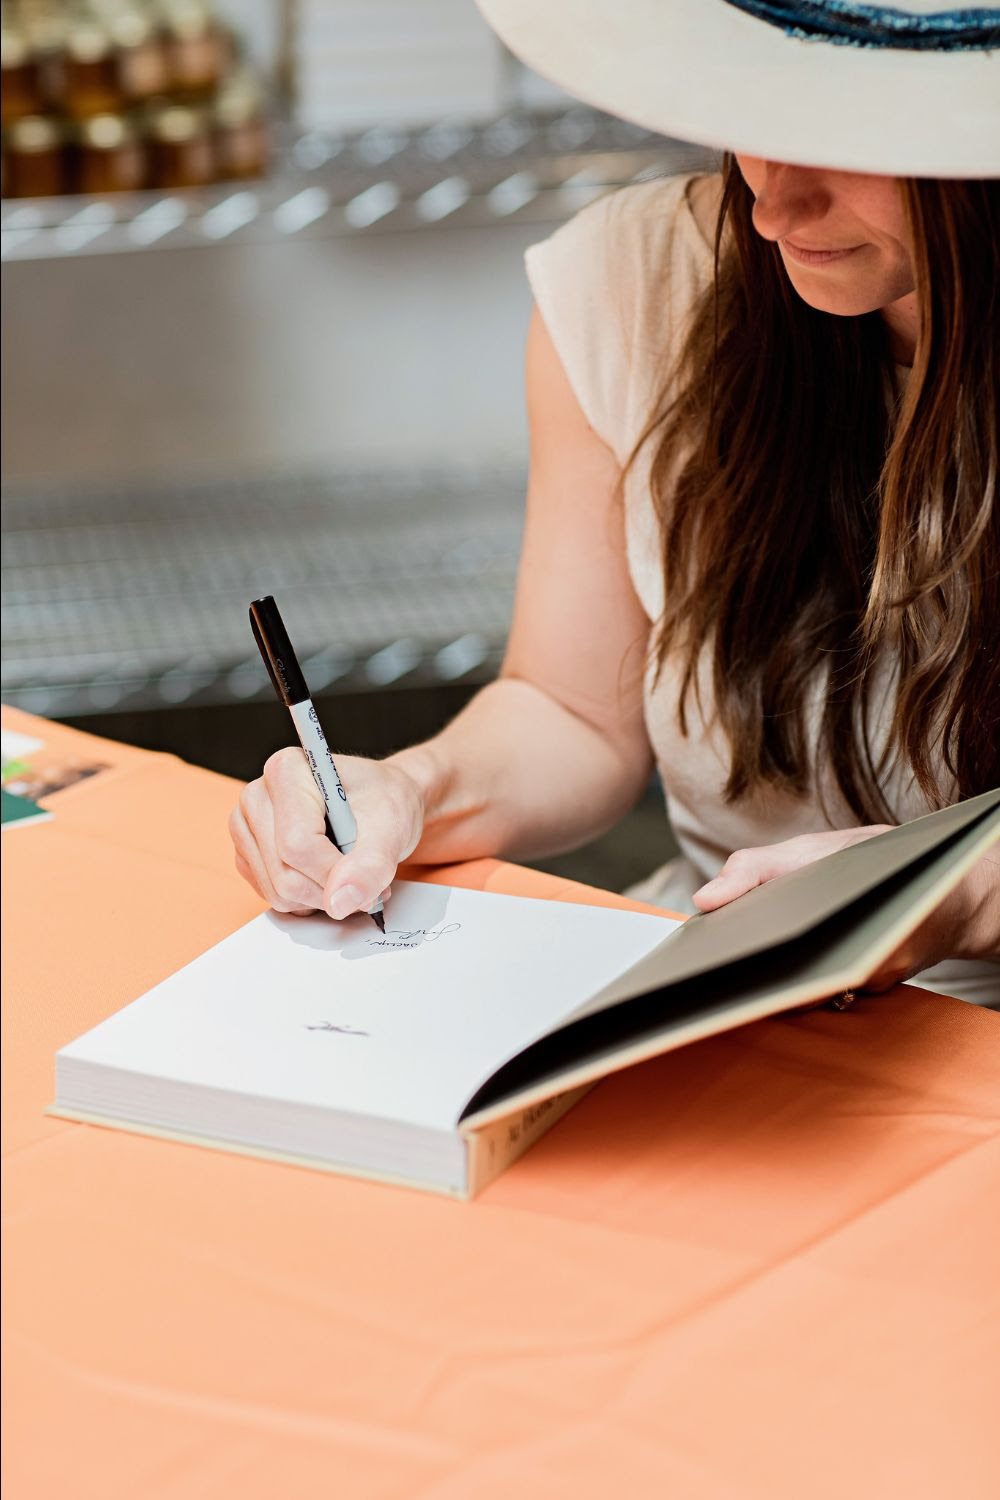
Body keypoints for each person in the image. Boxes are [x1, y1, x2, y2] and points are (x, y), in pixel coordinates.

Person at [230, 0, 1000, 1003]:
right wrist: (408, 789)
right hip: (715, 984)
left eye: (842, 137)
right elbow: (572, 714)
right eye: (753, 113)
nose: (770, 208)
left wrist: (950, 889)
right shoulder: (636, 283)